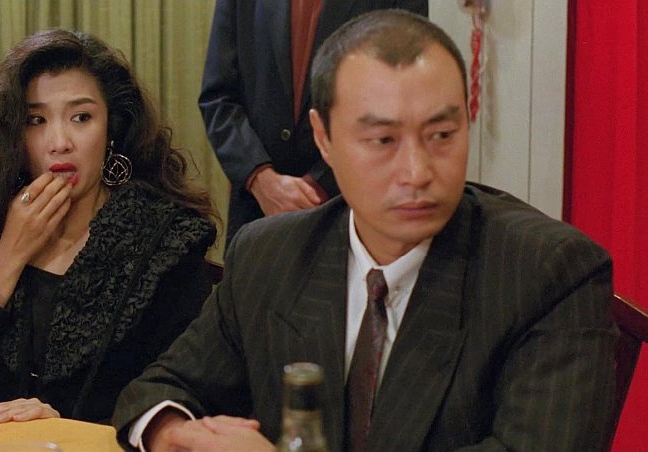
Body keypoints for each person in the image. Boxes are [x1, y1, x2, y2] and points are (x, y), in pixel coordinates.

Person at [113, 10, 618, 451]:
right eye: (382, 140)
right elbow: (159, 389)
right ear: (324, 138)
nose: (417, 171)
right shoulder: (270, 254)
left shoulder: (549, 272)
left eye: (442, 134)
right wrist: (175, 434)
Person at [0, 29, 217, 424]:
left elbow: (182, 399)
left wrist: (63, 424)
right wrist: (10, 253)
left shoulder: (165, 239)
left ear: (111, 130)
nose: (58, 142)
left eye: (81, 117)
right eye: (36, 120)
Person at [199, 0, 428, 246]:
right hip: (256, 212)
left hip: (351, 213)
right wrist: (261, 179)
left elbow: (400, 96)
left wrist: (318, 186)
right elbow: (218, 98)